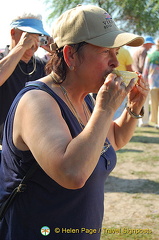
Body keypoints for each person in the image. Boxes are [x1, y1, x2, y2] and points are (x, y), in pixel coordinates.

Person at [0, 5, 149, 240]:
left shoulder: (85, 100)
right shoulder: (36, 101)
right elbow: (72, 173)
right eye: (105, 52)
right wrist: (106, 107)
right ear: (70, 55)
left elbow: (115, 139)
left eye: (117, 52)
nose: (115, 62)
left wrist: (133, 108)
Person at [0, 12, 52, 144]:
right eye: (28, 36)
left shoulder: (41, 66)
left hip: (32, 145)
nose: (33, 44)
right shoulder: (3, 59)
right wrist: (21, 47)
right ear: (13, 33)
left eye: (38, 37)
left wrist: (56, 50)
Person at [132, 36, 155, 127]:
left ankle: (138, 121)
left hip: (135, 76)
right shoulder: (143, 51)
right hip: (141, 77)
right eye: (150, 44)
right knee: (143, 99)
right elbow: (142, 65)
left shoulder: (137, 50)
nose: (151, 46)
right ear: (146, 43)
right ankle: (143, 122)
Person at [142, 39, 159, 129]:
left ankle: (156, 122)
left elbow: (145, 71)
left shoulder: (150, 55)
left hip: (153, 83)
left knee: (154, 104)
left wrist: (144, 83)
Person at [113, 47, 133, 119]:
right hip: (122, 82)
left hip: (108, 80)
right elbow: (129, 69)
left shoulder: (107, 48)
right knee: (120, 106)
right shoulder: (125, 51)